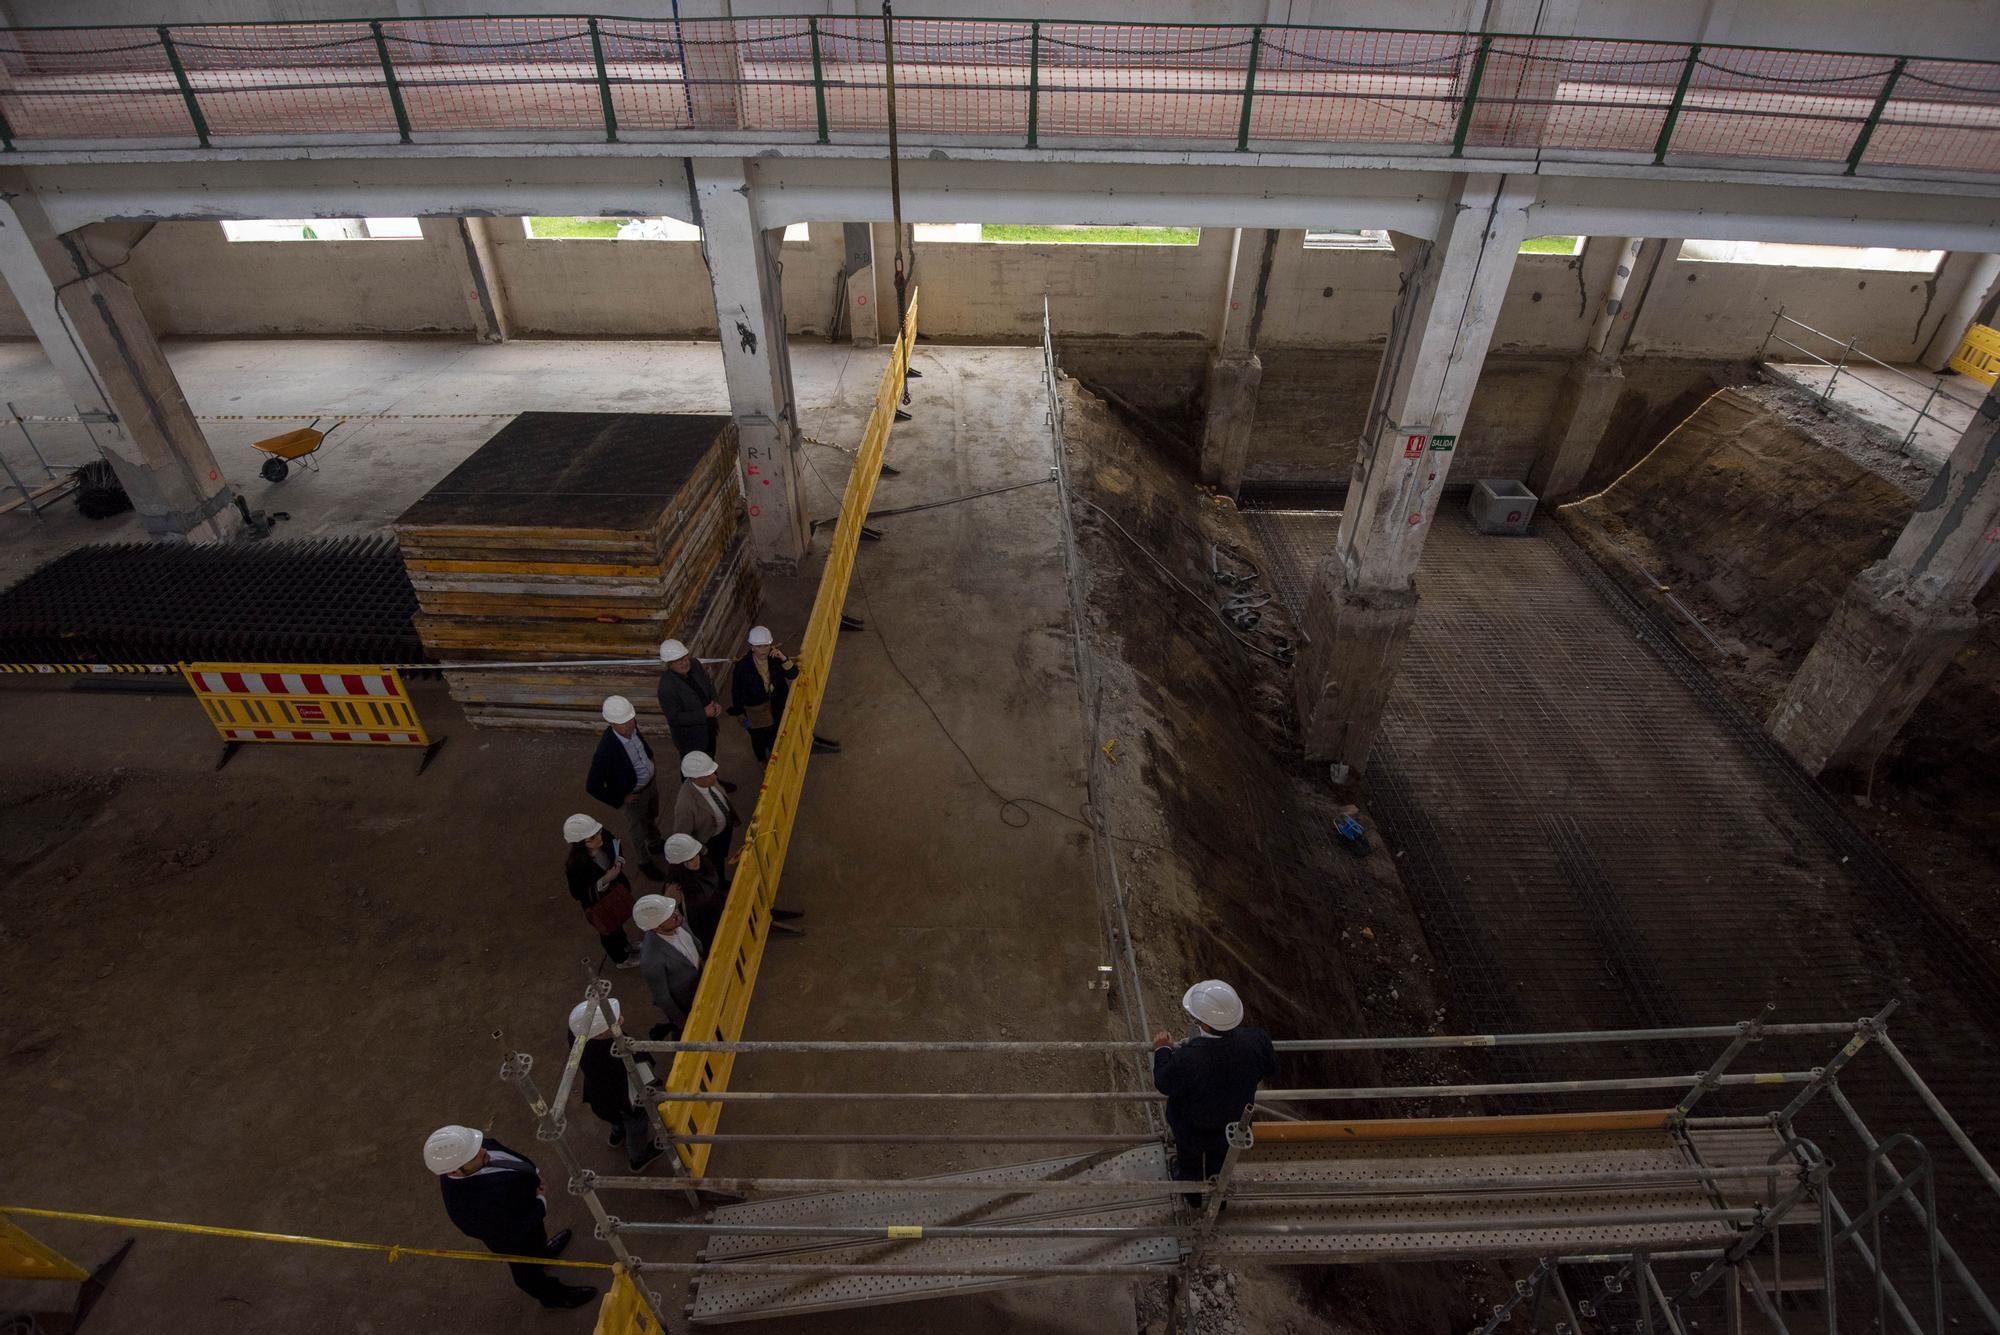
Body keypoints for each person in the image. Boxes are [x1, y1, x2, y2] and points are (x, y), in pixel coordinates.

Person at [426, 1124, 595, 1310]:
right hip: (515, 1241)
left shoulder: (473, 1149)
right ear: (454, 1172)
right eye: (475, 1155)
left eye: (479, 1145)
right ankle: (554, 1298)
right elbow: (510, 1231)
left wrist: (533, 1177)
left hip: (527, 1217)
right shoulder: (465, 1207)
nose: (483, 1149)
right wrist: (540, 1203)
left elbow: (504, 1153)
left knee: (537, 1242)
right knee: (527, 1272)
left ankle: (543, 1252)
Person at [1152, 980, 1278, 1207]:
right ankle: (1217, 1201)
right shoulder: (1257, 1041)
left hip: (1192, 1126)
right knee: (1220, 1162)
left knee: (1189, 1161)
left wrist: (1162, 1050)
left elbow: (1164, 1081)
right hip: (1233, 1125)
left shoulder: (1189, 1058)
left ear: (1205, 1024)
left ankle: (1192, 1195)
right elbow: (1270, 1068)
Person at [566, 998, 662, 1173]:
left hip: (600, 1099)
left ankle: (617, 1135)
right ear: (599, 1035)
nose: (621, 1020)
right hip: (623, 1100)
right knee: (636, 1125)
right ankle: (638, 1159)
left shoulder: (576, 1035)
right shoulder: (610, 1054)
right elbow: (636, 1070)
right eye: (615, 1022)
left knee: (617, 1121)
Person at [583, 695, 666, 880]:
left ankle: (654, 841)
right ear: (611, 723)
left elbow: (642, 749)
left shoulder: (633, 729)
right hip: (634, 796)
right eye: (624, 723)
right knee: (637, 830)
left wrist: (650, 762)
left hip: (650, 786)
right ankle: (644, 862)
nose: (630, 725)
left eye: (631, 719)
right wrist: (620, 798)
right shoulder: (606, 750)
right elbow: (592, 786)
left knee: (651, 816)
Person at [562, 813, 641, 969]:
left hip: (616, 892)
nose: (598, 838)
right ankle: (621, 959)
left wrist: (619, 860)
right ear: (579, 844)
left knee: (618, 923)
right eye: (591, 839)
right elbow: (577, 893)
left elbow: (616, 846)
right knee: (609, 931)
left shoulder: (604, 836)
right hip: (600, 904)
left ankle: (626, 946)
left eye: (597, 833)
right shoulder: (576, 865)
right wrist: (604, 880)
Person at [655, 639, 733, 790]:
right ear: (669, 664)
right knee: (692, 768)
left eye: (684, 658)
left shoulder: (695, 664)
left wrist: (715, 702)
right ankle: (693, 792)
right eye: (678, 661)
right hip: (691, 737)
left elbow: (708, 686)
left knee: (709, 759)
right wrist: (703, 713)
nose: (684, 663)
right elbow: (674, 718)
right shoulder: (666, 687)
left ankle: (714, 784)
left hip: (708, 728)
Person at [634, 893, 703, 1040]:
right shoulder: (651, 960)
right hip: (688, 1000)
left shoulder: (677, 921)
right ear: (656, 927)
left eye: (674, 911)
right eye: (670, 916)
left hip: (701, 978)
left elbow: (695, 944)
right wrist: (682, 1022)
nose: (676, 914)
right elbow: (662, 997)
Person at [726, 626, 799, 765]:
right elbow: (736, 691)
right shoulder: (743, 667)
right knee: (759, 737)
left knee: (776, 731)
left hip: (777, 704)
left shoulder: (775, 658)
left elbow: (793, 674)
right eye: (759, 646)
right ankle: (762, 760)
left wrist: (783, 658)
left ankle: (775, 752)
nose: (764, 650)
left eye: (766, 645)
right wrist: (740, 713)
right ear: (752, 647)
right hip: (756, 710)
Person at [671, 751, 737, 881]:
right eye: (709, 775)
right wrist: (702, 851)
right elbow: (682, 835)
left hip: (723, 833)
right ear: (695, 778)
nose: (715, 777)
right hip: (708, 842)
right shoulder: (685, 805)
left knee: (720, 860)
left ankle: (721, 879)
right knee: (712, 866)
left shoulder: (709, 781)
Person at [663, 833, 724, 949]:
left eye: (696, 855)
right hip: (703, 928)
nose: (696, 860)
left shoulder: (705, 865)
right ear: (680, 864)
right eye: (690, 859)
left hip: (716, 913)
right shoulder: (675, 889)